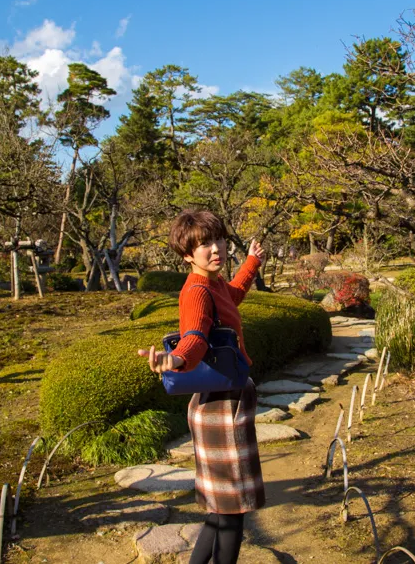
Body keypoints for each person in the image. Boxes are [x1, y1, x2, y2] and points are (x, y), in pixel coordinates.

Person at [137, 209, 266, 564]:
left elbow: (233, 296)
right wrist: (177, 360)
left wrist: (252, 262)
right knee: (232, 512)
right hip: (220, 408)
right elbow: (193, 337)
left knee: (220, 512)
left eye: (218, 239)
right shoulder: (195, 291)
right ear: (186, 256)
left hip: (225, 400)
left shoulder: (214, 284)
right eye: (204, 244)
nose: (215, 249)